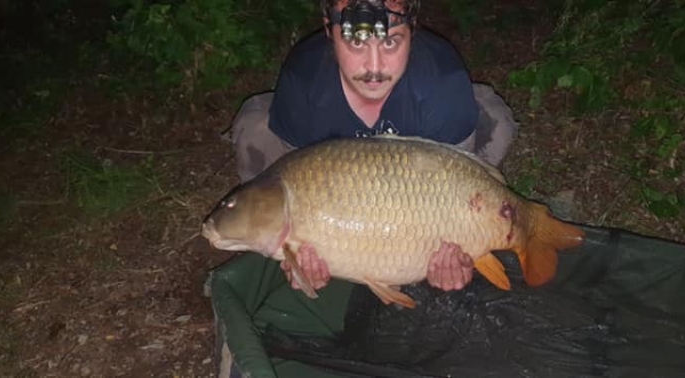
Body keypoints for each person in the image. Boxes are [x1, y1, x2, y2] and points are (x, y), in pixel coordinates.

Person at [215, 0, 519, 375]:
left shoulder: (440, 81)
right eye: (356, 43)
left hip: (423, 157)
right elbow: (297, 180)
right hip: (330, 161)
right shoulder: (304, 79)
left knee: (494, 122)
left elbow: (447, 183)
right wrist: (296, 257)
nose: (374, 66)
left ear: (413, 31)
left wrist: (459, 243)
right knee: (256, 128)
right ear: (329, 29)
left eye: (392, 42)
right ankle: (266, 234)